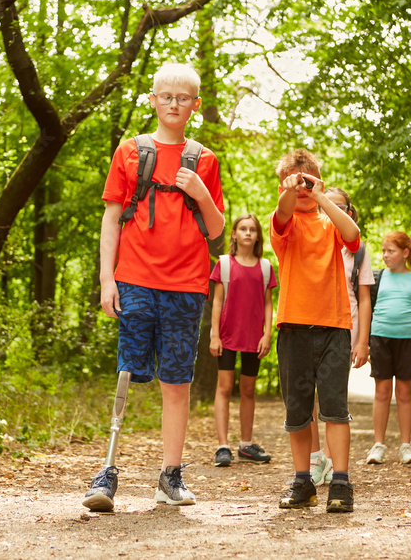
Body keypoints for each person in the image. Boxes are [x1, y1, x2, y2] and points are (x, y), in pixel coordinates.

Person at [82, 63, 225, 511]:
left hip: (187, 285)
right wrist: (108, 280)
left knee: (177, 381)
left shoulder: (204, 159)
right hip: (135, 279)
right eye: (166, 96)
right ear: (153, 100)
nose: (174, 104)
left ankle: (171, 474)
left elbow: (217, 230)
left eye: (183, 98)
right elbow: (111, 219)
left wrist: (201, 192)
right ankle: (106, 473)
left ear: (195, 105)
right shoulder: (130, 152)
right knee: (128, 368)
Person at [270, 149, 368, 513]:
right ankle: (302, 481)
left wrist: (321, 195)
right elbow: (281, 214)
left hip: (334, 327)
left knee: (335, 409)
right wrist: (291, 191)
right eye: (296, 181)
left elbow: (354, 235)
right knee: (297, 411)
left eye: (308, 180)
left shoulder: (330, 224)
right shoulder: (284, 222)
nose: (303, 188)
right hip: (294, 328)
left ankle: (340, 482)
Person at [307, 188, 374, 486]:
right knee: (307, 398)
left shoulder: (358, 250)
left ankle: (332, 460)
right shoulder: (310, 241)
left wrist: (363, 342)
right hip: (310, 325)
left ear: (349, 211)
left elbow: (365, 298)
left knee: (333, 398)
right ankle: (314, 458)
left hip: (345, 329)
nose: (331, 210)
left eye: (339, 206)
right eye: (325, 205)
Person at [209, 214, 277, 467]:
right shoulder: (224, 264)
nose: (248, 233)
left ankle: (246, 445)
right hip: (227, 336)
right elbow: (217, 302)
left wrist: (267, 334)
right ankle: (223, 446)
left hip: (253, 337)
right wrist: (214, 335)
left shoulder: (265, 267)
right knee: (224, 388)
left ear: (258, 236)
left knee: (248, 390)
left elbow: (269, 304)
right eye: (243, 229)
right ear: (235, 234)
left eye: (252, 229)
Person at [365, 231, 411, 467]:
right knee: (382, 393)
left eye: (390, 251)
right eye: (383, 251)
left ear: (405, 253)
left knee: (404, 394)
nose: (385, 255)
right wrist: (365, 343)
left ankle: (406, 445)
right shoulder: (376, 277)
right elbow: (368, 311)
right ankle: (378, 445)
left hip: (409, 340)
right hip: (380, 339)